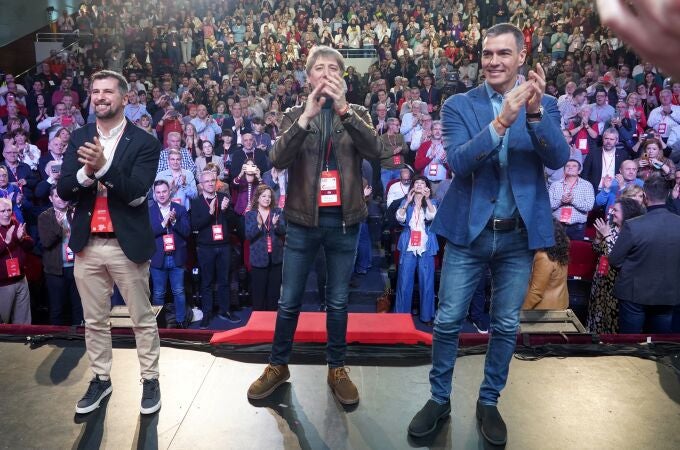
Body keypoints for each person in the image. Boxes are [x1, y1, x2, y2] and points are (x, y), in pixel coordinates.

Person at [408, 24, 569, 444]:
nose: (493, 61)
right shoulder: (459, 105)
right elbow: (459, 162)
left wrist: (532, 114)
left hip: (517, 238)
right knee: (446, 322)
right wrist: (502, 121)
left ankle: (489, 401)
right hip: (468, 235)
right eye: (487, 54)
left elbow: (558, 157)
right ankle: (439, 399)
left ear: (520, 59)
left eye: (503, 54)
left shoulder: (545, 104)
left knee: (504, 324)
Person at [247, 46, 389, 406]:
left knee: (338, 301)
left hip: (344, 223)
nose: (326, 73)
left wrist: (343, 110)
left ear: (342, 76)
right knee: (289, 300)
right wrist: (305, 118)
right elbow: (276, 159)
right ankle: (278, 366)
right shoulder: (296, 112)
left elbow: (378, 151)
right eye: (319, 69)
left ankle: (336, 367)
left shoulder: (356, 112)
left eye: (333, 68)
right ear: (308, 77)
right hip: (300, 222)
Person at [57, 70, 162, 415]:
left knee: (141, 318)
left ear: (124, 98)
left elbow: (135, 195)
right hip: (87, 245)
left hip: (125, 244)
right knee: (95, 320)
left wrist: (102, 168)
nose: (100, 97)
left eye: (108, 92)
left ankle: (150, 379)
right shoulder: (80, 137)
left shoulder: (144, 142)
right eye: (95, 91)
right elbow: (64, 191)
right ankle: (101, 379)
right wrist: (86, 173)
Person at [609, 175, 680, 333]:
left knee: (630, 347)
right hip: (668, 293)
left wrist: (633, 267)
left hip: (634, 294)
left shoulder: (633, 226)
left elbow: (614, 260)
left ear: (645, 197)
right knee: (660, 347)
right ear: (668, 194)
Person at [190, 170, 241, 328]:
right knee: (206, 282)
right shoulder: (197, 202)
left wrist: (225, 211)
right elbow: (195, 226)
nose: (211, 183)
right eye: (207, 181)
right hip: (206, 248)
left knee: (224, 280)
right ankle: (207, 313)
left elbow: (234, 224)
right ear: (201, 184)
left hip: (224, 246)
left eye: (213, 180)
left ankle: (225, 310)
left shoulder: (224, 198)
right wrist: (210, 213)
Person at [588, 197, 645, 333]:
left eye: (616, 210)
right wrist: (597, 238)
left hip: (616, 284)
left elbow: (616, 256)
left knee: (612, 318)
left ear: (626, 213)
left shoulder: (631, 233)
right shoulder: (610, 228)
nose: (613, 212)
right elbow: (598, 250)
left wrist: (606, 236)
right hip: (601, 280)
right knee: (596, 313)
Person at [394, 176, 439, 325]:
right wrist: (407, 201)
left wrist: (427, 200)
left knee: (427, 282)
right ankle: (401, 316)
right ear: (413, 186)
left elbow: (434, 217)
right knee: (404, 280)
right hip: (409, 244)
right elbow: (399, 218)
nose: (419, 185)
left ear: (427, 187)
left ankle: (426, 316)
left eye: (422, 183)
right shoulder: (405, 202)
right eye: (417, 183)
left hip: (426, 245)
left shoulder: (433, 202)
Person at [37, 186, 83, 326]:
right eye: (57, 196)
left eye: (63, 195)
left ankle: (78, 338)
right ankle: (57, 339)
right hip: (55, 270)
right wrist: (58, 226)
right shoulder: (45, 216)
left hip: (77, 266)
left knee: (78, 306)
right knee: (57, 308)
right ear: (51, 198)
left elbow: (83, 238)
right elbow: (46, 242)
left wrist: (78, 224)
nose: (61, 199)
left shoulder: (75, 213)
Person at [149, 179, 191, 328]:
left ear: (169, 192)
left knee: (179, 291)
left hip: (176, 257)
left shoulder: (180, 209)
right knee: (158, 293)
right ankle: (158, 324)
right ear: (154, 194)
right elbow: (147, 234)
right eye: (158, 192)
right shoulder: (149, 211)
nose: (161, 195)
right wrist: (163, 223)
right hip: (158, 258)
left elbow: (187, 232)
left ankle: (181, 321)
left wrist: (174, 222)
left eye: (164, 191)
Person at [245, 184, 286, 311]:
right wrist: (258, 225)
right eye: (264, 196)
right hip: (259, 259)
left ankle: (271, 323)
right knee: (259, 294)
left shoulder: (277, 212)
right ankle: (258, 323)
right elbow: (248, 235)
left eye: (269, 196)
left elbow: (283, 230)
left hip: (275, 258)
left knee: (273, 294)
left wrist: (275, 225)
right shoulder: (251, 214)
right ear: (257, 198)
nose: (267, 198)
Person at [522, 219, 570, 310]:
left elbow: (536, 293)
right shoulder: (561, 249)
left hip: (543, 310)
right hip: (560, 305)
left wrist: (520, 313)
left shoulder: (543, 257)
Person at [0, 198, 33, 324]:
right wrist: (6, 242)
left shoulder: (15, 223)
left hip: (21, 279)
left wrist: (22, 239)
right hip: (3, 285)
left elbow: (30, 246)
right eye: (2, 211)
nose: (6, 214)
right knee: (4, 325)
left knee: (23, 322)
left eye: (9, 210)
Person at [548, 159, 595, 240]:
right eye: (567, 166)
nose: (570, 167)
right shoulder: (555, 185)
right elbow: (548, 205)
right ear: (564, 170)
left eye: (574, 166)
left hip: (578, 227)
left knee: (576, 251)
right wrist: (560, 201)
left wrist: (573, 201)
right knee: (557, 251)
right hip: (557, 226)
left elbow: (589, 206)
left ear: (579, 171)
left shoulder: (587, 185)